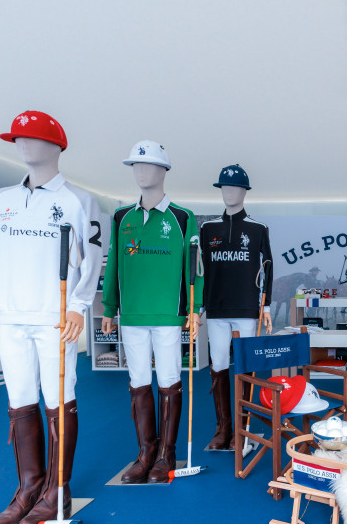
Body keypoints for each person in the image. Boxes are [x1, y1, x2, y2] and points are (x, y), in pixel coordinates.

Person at [0, 111, 103, 524]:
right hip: (11, 317)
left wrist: (79, 305)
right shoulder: (3, 199)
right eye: (17, 138)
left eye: (31, 138)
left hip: (55, 318)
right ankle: (28, 490)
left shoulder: (79, 200)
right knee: (20, 402)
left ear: (56, 146)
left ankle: (57, 493)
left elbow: (92, 259)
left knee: (58, 400)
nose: (22, 145)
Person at [101, 140, 203, 483]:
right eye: (136, 166)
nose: (141, 172)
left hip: (168, 314)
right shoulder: (121, 217)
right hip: (131, 314)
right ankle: (145, 452)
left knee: (169, 379)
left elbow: (195, 268)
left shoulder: (182, 217)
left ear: (163, 170)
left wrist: (194, 309)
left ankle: (165, 454)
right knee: (138, 381)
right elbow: (114, 265)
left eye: (148, 165)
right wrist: (109, 307)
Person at [199, 164, 273, 450]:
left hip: (246, 309)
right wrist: (198, 306)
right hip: (216, 309)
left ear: (244, 192)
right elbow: (200, 270)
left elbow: (268, 267)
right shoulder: (207, 229)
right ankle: (223, 429)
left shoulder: (258, 228)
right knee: (218, 366)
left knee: (245, 367)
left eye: (235, 188)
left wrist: (266, 306)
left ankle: (243, 429)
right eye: (225, 187)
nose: (229, 192)